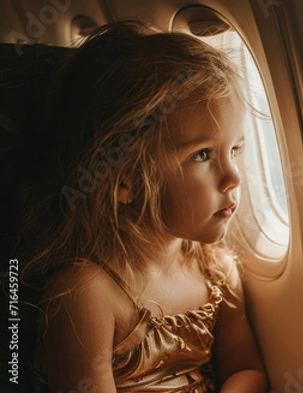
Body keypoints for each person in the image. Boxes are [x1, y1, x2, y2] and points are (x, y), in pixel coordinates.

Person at [20, 21, 268, 393]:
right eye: (202, 155)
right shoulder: (86, 293)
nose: (233, 177)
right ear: (125, 182)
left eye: (235, 149)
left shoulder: (217, 270)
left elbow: (246, 369)